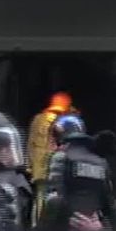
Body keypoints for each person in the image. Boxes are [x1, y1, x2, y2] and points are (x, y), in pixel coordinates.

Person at [27, 92, 79, 223]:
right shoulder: (62, 121)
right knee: (52, 198)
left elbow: (30, 143)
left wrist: (30, 165)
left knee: (40, 198)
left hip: (40, 167)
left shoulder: (38, 119)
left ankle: (37, 227)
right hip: (55, 167)